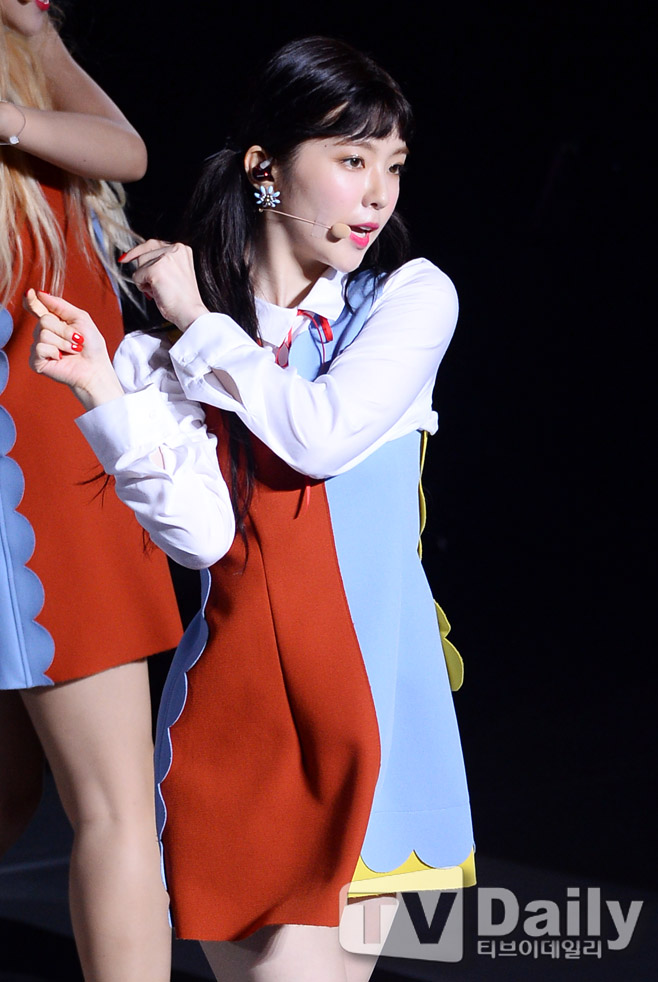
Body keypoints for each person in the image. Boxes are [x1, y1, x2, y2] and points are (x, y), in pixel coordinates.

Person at [28, 35, 474, 982]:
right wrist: (104, 391)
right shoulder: (166, 356)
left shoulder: (406, 301)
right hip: (238, 728)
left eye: (392, 165)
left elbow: (319, 433)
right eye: (351, 161)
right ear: (266, 170)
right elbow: (203, 536)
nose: (378, 194)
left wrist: (198, 324)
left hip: (375, 719)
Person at [0, 2, 182, 979]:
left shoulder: (32, 101)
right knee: (115, 810)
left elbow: (127, 150)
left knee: (13, 797)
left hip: (62, 482)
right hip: (33, 502)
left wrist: (36, 44)